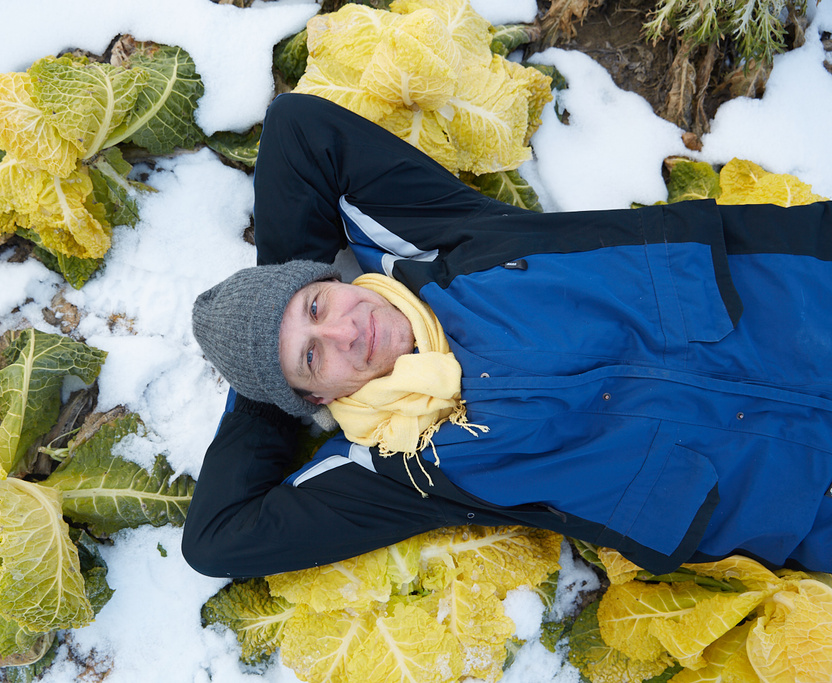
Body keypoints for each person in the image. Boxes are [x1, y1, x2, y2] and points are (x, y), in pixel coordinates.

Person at [182, 93, 832, 579]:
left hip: (799, 300)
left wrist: (280, 314)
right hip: (801, 489)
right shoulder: (400, 473)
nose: (347, 330)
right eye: (314, 355)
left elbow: (301, 130)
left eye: (319, 304)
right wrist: (271, 377)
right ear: (316, 399)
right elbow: (217, 537)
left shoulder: (433, 243)